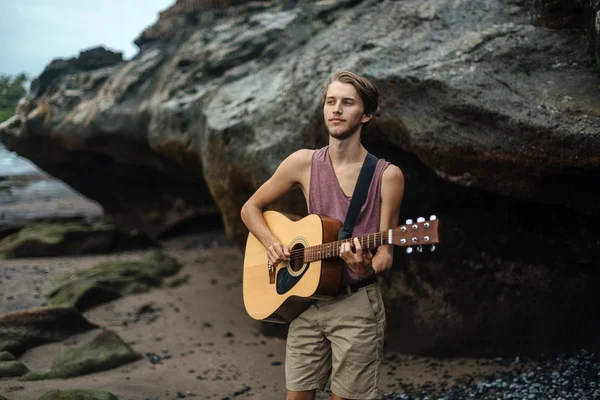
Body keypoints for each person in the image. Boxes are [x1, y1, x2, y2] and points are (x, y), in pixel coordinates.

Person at [240, 71, 405, 400]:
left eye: (347, 103)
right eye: (331, 102)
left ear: (367, 114)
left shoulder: (387, 176)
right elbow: (250, 208)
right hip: (306, 301)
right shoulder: (303, 163)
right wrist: (273, 244)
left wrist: (365, 267)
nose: (337, 109)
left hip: (356, 306)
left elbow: (386, 252)